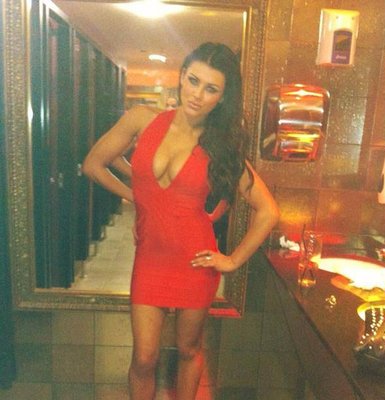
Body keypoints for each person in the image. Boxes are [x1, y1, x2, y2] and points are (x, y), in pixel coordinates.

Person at [82, 42, 279, 400]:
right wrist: (136, 195)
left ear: (222, 97)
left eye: (211, 88)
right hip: (150, 259)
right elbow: (94, 164)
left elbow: (268, 211)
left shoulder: (221, 146)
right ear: (182, 76)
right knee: (144, 358)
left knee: (188, 349)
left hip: (195, 262)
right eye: (193, 80)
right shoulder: (143, 119)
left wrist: (232, 260)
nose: (198, 95)